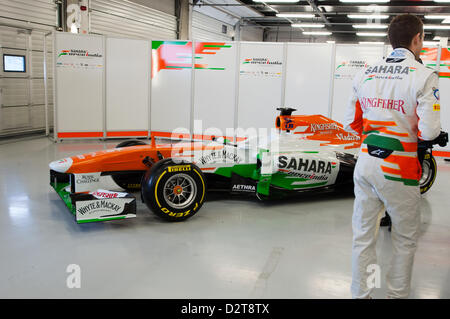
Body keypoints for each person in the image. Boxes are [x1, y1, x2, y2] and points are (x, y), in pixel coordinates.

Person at [344, 14, 441, 299]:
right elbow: (429, 131)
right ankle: (396, 296)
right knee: (405, 239)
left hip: (365, 164)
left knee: (363, 236)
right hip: (399, 168)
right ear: (417, 39)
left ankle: (363, 293)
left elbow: (352, 121)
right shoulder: (424, 75)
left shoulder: (365, 73)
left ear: (390, 40)